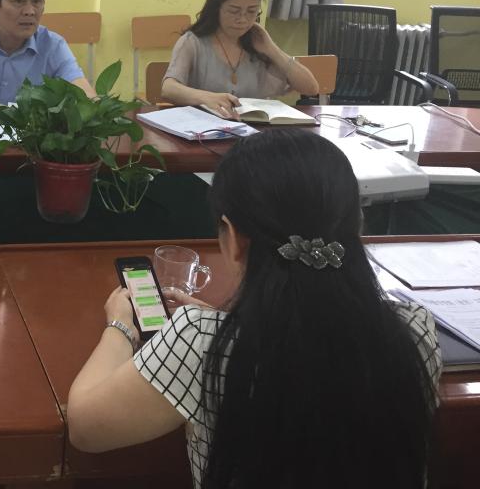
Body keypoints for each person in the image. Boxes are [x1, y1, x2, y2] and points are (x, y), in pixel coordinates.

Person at [67, 129, 440, 489]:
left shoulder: (200, 341)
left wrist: (120, 327)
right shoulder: (415, 330)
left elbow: (85, 427)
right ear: (356, 225)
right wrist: (227, 323)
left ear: (233, 238)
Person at [161, 0, 318, 118]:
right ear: (217, 8)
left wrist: (272, 49)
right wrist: (207, 98)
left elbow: (311, 88)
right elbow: (168, 88)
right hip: (205, 129)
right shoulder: (193, 42)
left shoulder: (259, 44)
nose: (242, 19)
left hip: (253, 130)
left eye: (251, 11)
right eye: (234, 11)